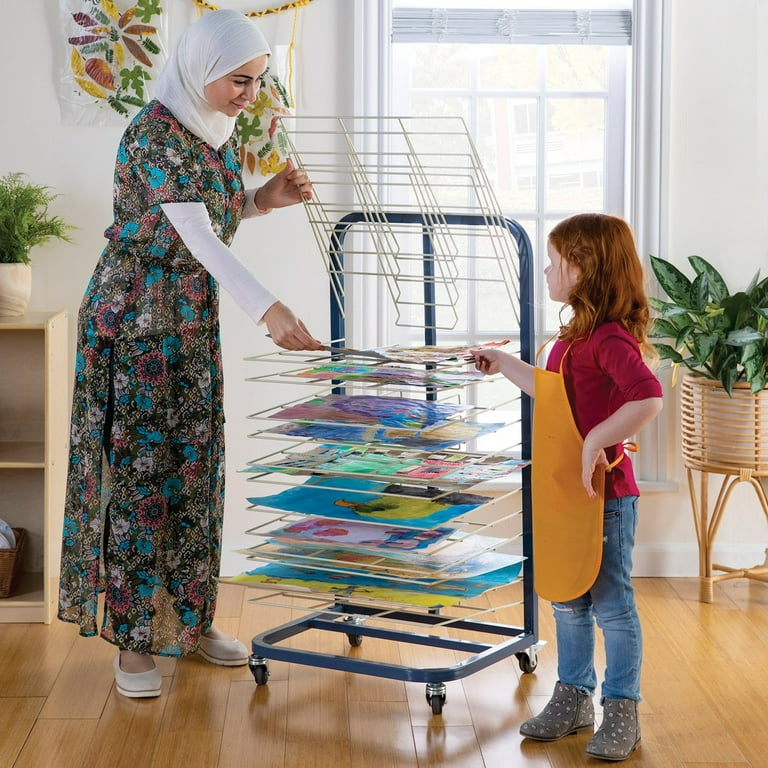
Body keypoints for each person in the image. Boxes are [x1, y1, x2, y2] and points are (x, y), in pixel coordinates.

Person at [58, 9, 324, 699]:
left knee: (197, 472)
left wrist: (265, 197)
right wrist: (269, 308)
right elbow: (197, 238)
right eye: (239, 81)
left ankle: (191, 621)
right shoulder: (153, 133)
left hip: (190, 322)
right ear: (201, 68)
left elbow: (215, 214)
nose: (248, 95)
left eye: (257, 82)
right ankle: (134, 642)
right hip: (136, 324)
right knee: (143, 479)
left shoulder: (214, 134)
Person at [470, 213, 663, 762]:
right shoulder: (570, 336)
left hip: (605, 496)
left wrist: (594, 441)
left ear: (585, 269)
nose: (549, 271)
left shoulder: (608, 338)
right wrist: (504, 361)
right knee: (568, 598)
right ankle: (574, 694)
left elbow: (647, 397)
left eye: (556, 262)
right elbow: (551, 393)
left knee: (611, 604)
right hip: (563, 493)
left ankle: (622, 705)